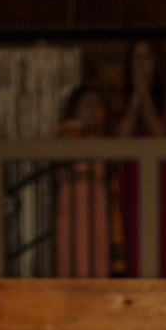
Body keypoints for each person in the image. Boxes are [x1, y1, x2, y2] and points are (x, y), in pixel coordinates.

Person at [116, 38, 166, 277]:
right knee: (135, 231)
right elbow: (121, 137)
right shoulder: (122, 97)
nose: (141, 63)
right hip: (133, 172)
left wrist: (146, 97)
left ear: (156, 62)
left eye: (147, 57)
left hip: (162, 172)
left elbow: (162, 133)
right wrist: (136, 99)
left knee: (163, 231)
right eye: (137, 57)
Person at [53, 86, 112, 278]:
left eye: (96, 105)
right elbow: (57, 169)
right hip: (74, 203)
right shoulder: (67, 131)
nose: (93, 109)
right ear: (75, 108)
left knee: (98, 253)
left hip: (97, 204)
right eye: (87, 104)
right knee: (73, 254)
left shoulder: (104, 137)